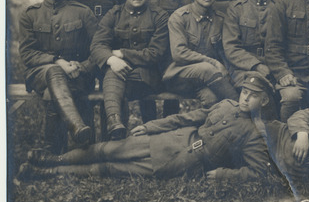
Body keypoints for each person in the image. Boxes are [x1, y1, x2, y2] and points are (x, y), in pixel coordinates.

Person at [19, 72, 275, 182]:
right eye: (244, 92)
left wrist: (223, 175)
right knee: (106, 149)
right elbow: (186, 118)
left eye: (252, 96)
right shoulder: (227, 103)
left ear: (262, 101)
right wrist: (151, 127)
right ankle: (52, 159)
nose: (244, 98)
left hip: (181, 163)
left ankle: (45, 173)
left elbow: (258, 172)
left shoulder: (254, 135)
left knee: (109, 168)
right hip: (171, 139)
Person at [18, 0, 99, 150]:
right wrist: (57, 61)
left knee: (50, 93)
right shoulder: (30, 15)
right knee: (54, 70)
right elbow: (27, 54)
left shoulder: (82, 12)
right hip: (40, 74)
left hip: (77, 75)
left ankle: (53, 150)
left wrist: (83, 67)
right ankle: (78, 128)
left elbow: (99, 49)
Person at [90, 0, 170, 139]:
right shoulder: (114, 14)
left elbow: (156, 53)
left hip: (149, 76)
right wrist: (111, 59)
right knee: (114, 72)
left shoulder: (159, 16)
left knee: (113, 81)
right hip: (121, 75)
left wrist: (122, 54)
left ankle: (115, 135)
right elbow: (98, 44)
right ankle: (116, 125)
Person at [162, 0, 238, 107]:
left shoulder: (220, 18)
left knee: (212, 99)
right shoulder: (179, 17)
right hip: (179, 77)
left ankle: (210, 127)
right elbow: (179, 54)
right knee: (207, 69)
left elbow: (225, 51)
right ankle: (241, 109)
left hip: (209, 79)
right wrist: (213, 63)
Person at [222, 0, 277, 91]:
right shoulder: (236, 9)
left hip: (273, 68)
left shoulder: (278, 9)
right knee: (253, 90)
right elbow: (231, 47)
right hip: (243, 69)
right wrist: (255, 65)